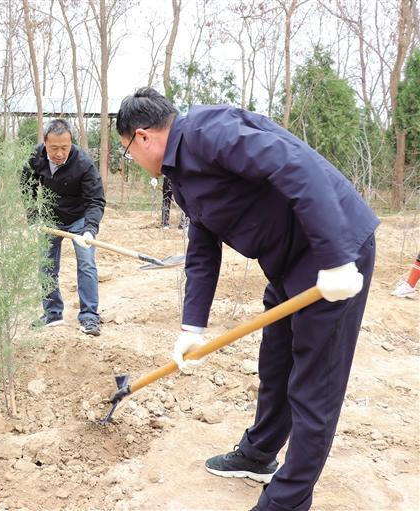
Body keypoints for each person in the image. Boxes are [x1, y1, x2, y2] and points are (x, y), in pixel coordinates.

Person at [116, 87, 378, 511]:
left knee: (314, 387)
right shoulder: (181, 176)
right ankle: (258, 454)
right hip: (290, 263)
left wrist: (335, 257)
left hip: (334, 251)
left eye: (128, 150)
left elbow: (295, 167)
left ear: (142, 136)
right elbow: (201, 249)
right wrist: (192, 329)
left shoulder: (209, 132)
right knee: (276, 363)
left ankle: (287, 501)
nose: (132, 159)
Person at [22, 119, 106, 336]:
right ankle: (52, 313)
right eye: (54, 148)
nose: (59, 153)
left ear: (71, 143)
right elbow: (27, 187)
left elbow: (96, 199)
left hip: (79, 219)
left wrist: (89, 229)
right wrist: (33, 218)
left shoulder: (84, 163)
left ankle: (89, 317)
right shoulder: (35, 158)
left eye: (64, 148)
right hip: (50, 218)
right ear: (45, 144)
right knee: (46, 266)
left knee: (86, 264)